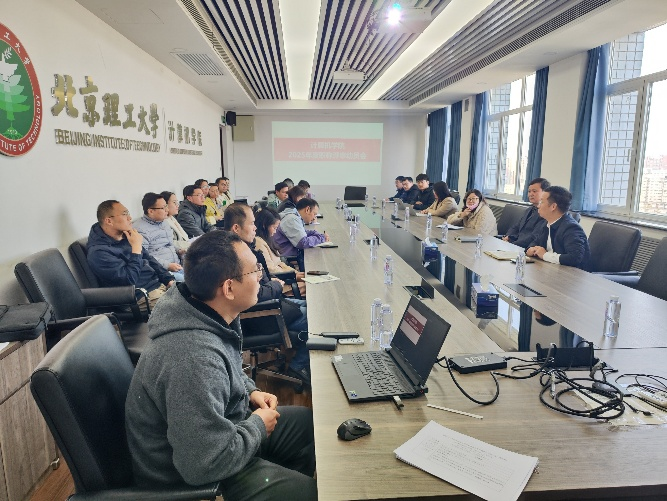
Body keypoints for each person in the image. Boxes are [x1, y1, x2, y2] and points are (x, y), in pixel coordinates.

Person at [124, 231, 317, 501]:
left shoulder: (208, 314)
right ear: (228, 288)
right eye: (255, 270)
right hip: (193, 474)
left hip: (224, 434)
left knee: (306, 426)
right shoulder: (192, 358)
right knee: (308, 493)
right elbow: (203, 464)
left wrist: (249, 390)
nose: (260, 276)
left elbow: (229, 368)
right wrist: (257, 427)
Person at [224, 203, 311, 383]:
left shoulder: (242, 249)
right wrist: (275, 286)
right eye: (251, 223)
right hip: (261, 314)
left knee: (312, 307)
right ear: (236, 228)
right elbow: (255, 294)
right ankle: (299, 365)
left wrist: (272, 285)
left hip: (269, 304)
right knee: (315, 319)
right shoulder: (236, 257)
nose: (255, 228)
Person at [87, 200, 174, 310]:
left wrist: (168, 279)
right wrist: (136, 248)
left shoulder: (126, 235)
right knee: (185, 309)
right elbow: (128, 280)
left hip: (158, 285)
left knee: (193, 296)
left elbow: (149, 259)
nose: (130, 218)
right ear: (109, 221)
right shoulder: (99, 252)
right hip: (140, 297)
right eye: (125, 214)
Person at [526, 186, 590, 270]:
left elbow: (574, 258)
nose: (538, 206)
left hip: (572, 274)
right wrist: (531, 250)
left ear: (553, 206)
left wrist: (545, 255)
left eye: (542, 202)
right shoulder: (546, 223)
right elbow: (535, 242)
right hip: (552, 269)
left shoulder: (571, 228)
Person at [255, 207, 307, 297]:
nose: (275, 231)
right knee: (311, 286)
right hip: (282, 284)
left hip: (286, 278)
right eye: (274, 228)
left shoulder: (267, 240)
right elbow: (270, 270)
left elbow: (279, 263)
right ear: (264, 226)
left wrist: (296, 273)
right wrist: (295, 275)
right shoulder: (258, 243)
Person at [133, 193, 184, 282]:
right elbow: (144, 256)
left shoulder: (164, 222)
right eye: (163, 207)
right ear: (151, 211)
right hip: (162, 272)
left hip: (178, 265)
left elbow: (169, 244)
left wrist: (179, 250)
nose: (167, 210)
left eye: (166, 206)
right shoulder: (140, 229)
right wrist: (167, 265)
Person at [501, 177, 550, 249]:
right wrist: (508, 237)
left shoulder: (545, 214)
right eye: (529, 191)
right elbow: (516, 227)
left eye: (534, 191)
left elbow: (534, 237)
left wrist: (512, 244)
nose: (531, 194)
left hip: (526, 248)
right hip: (514, 243)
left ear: (545, 193)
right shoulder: (529, 210)